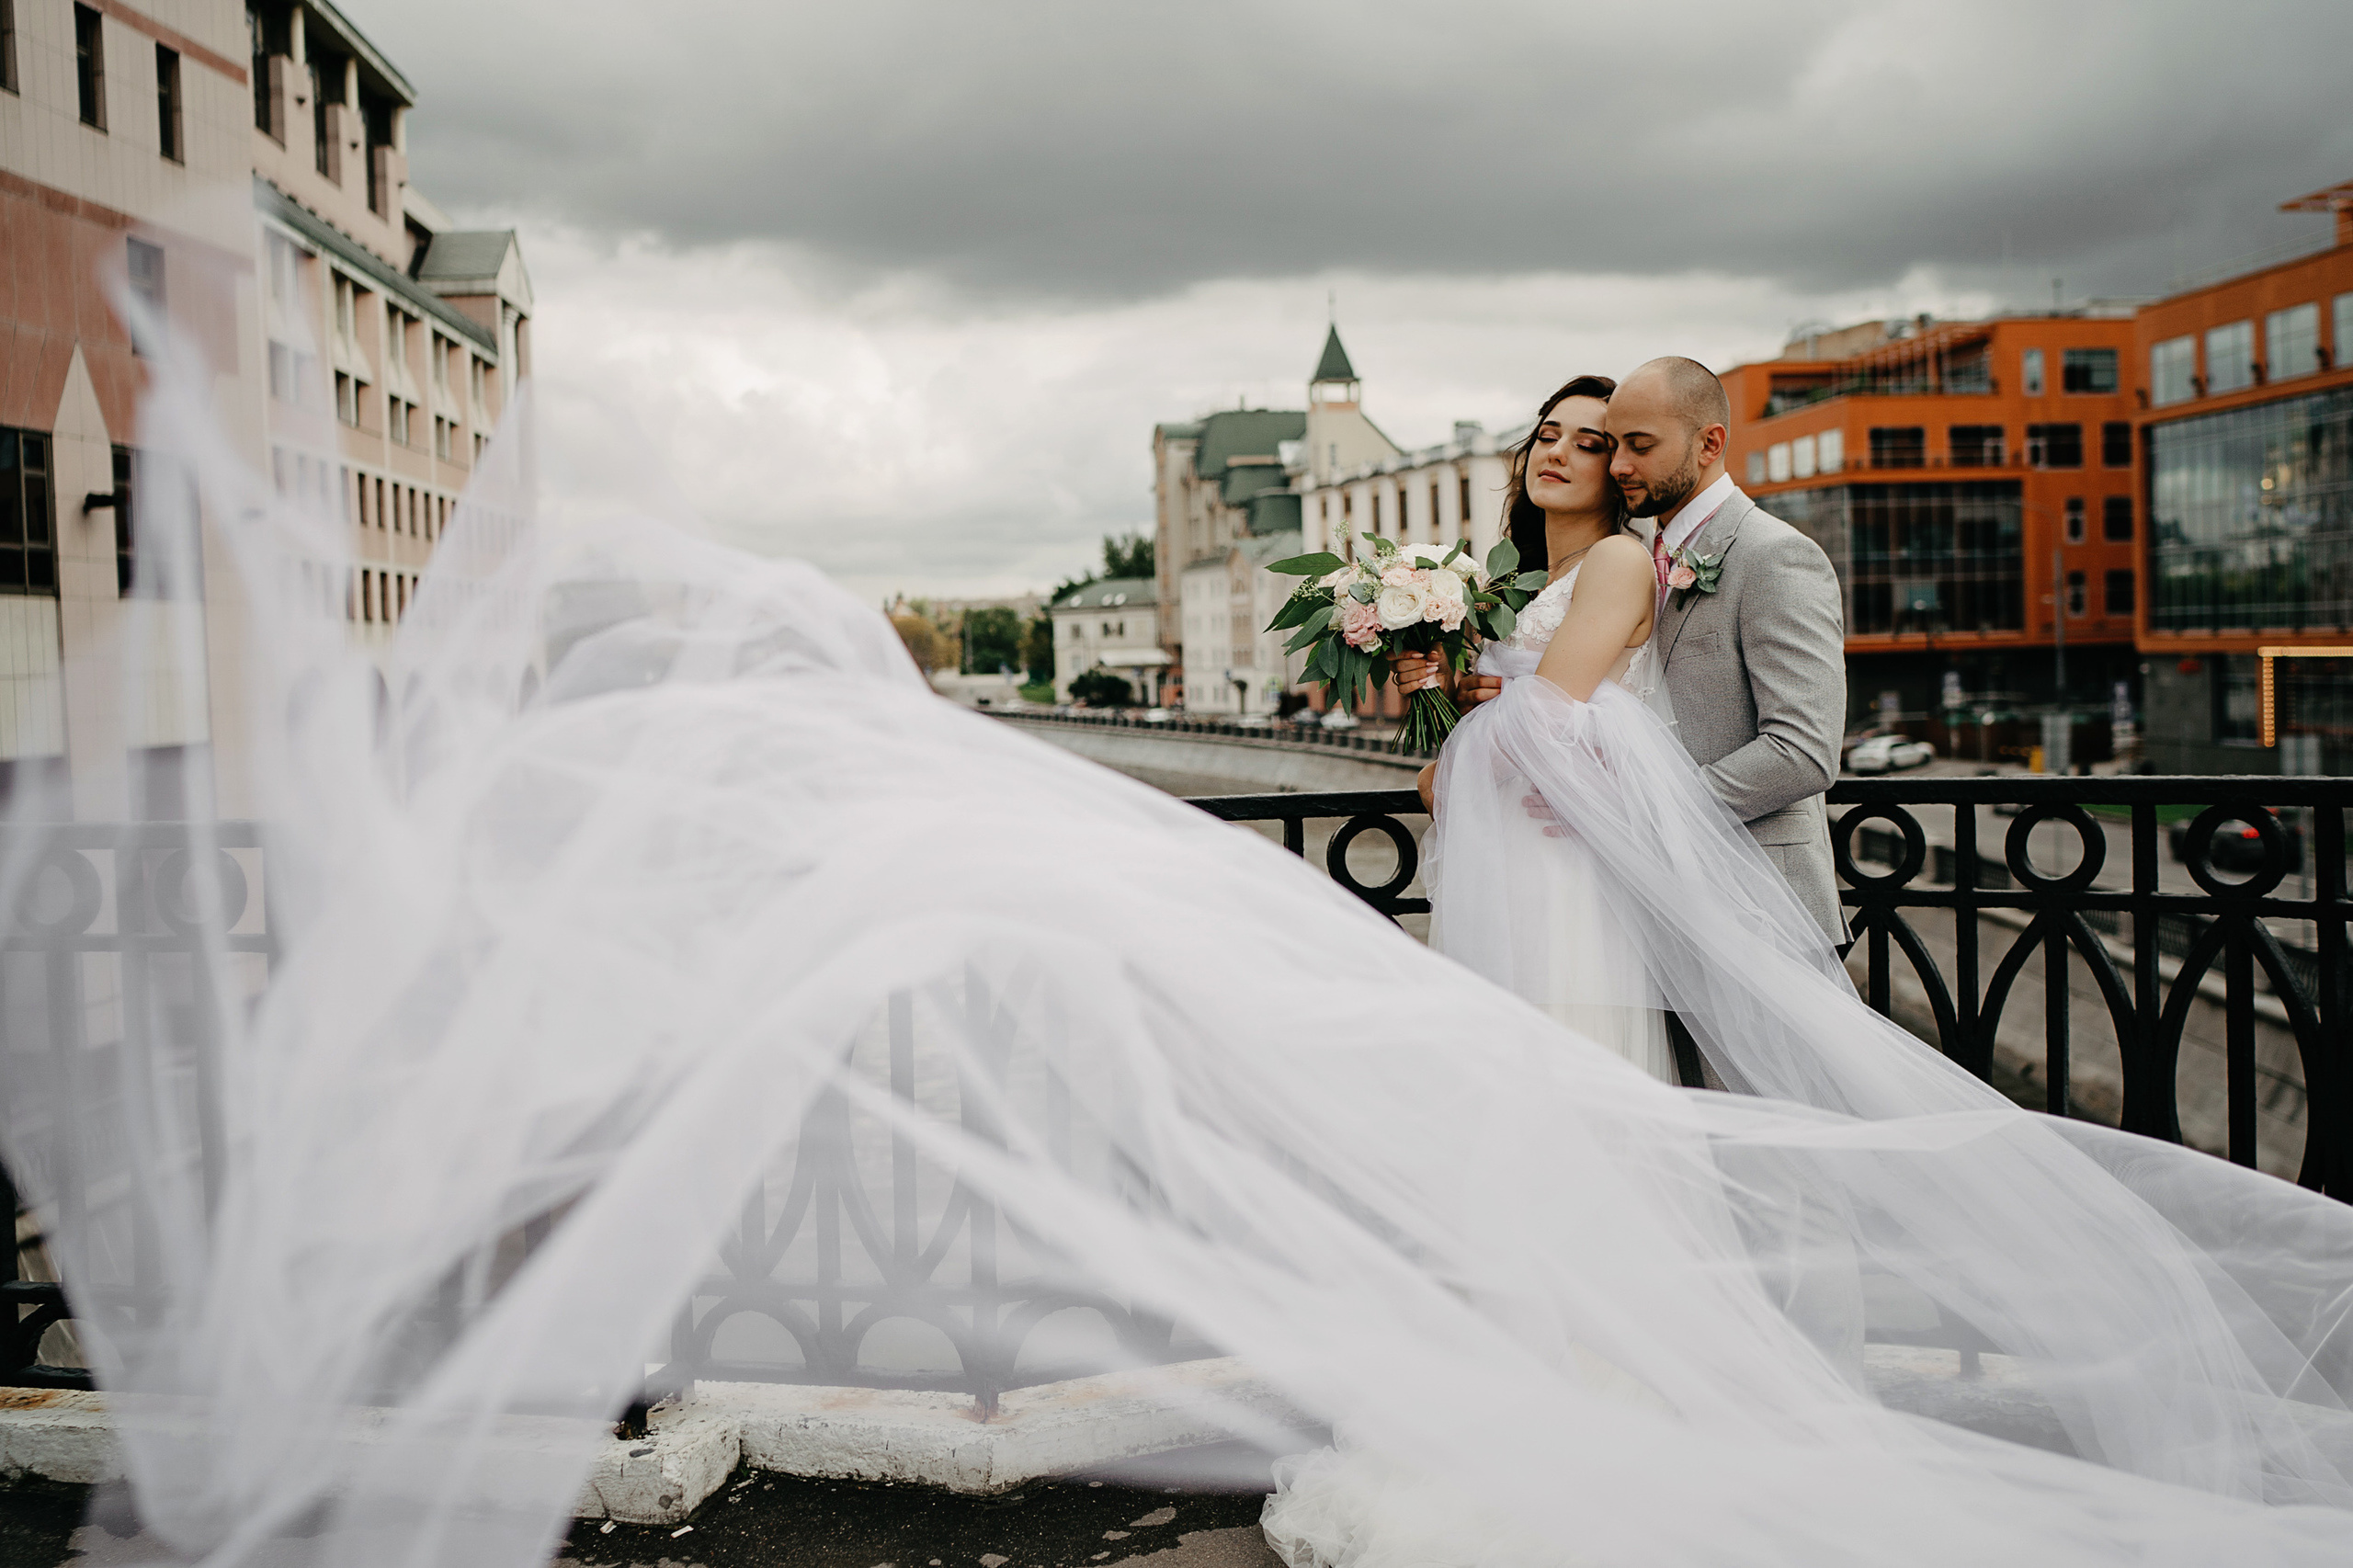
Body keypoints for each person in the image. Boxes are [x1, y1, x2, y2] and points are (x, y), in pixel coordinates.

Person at [1397, 375, 1677, 1082]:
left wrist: (1440, 776)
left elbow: (1547, 710)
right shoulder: (1512, 582)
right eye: (1546, 436)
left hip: (1563, 859)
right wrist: (1440, 689)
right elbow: (1511, 708)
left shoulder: (1617, 559)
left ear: (1618, 472)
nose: (1555, 454)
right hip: (1505, 850)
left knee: (1562, 1057)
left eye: (1588, 445)